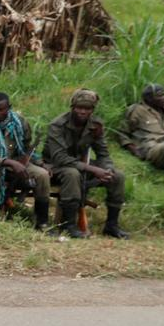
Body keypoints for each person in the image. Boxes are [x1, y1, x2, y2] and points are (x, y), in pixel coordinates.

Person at [43, 89, 128, 239]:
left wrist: (106, 170)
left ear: (92, 110)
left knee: (118, 176)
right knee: (72, 174)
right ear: (72, 107)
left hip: (82, 165)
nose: (82, 112)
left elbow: (103, 153)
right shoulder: (58, 125)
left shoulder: (96, 125)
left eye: (87, 109)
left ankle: (112, 225)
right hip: (55, 166)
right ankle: (68, 225)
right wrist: (93, 170)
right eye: (79, 108)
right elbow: (60, 157)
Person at [0, 92, 51, 229]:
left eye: (0, 109)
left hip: (17, 162)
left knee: (42, 175)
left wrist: (41, 164)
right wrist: (8, 162)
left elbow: (27, 148)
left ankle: (42, 222)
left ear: (9, 107)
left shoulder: (19, 122)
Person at [119, 84, 164, 186]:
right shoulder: (137, 110)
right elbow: (122, 132)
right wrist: (133, 149)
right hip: (151, 147)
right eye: (159, 95)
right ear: (149, 98)